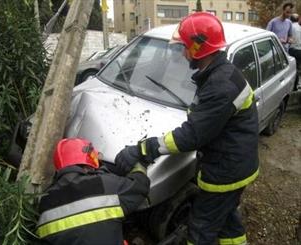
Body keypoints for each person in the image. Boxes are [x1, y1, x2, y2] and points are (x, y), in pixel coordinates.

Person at [115, 12, 259, 245]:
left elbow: (192, 135)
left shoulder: (220, 85)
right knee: (226, 218)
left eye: (184, 46)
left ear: (197, 48)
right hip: (236, 163)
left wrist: (146, 148)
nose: (182, 52)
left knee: (200, 229)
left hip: (225, 171)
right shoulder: (219, 73)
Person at [36, 138, 150, 245]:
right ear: (89, 159)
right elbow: (140, 186)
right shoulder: (102, 183)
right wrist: (139, 165)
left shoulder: (44, 202)